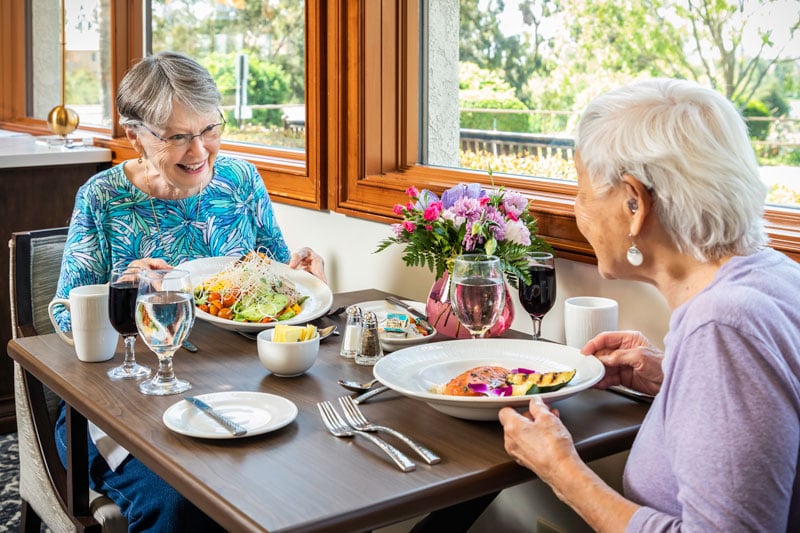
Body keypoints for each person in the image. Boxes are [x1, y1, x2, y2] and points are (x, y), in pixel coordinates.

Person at [499, 78, 800, 531]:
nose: (577, 209)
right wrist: (672, 377)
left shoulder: (720, 325)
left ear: (633, 202)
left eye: (581, 190)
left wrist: (561, 470)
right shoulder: (771, 272)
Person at [52, 51, 327, 531]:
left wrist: (300, 273)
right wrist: (122, 290)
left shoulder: (240, 180)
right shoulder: (103, 197)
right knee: (183, 504)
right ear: (135, 134)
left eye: (208, 130)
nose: (198, 151)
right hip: (122, 409)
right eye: (177, 136)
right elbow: (63, 316)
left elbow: (276, 279)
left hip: (237, 389)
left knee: (316, 470)